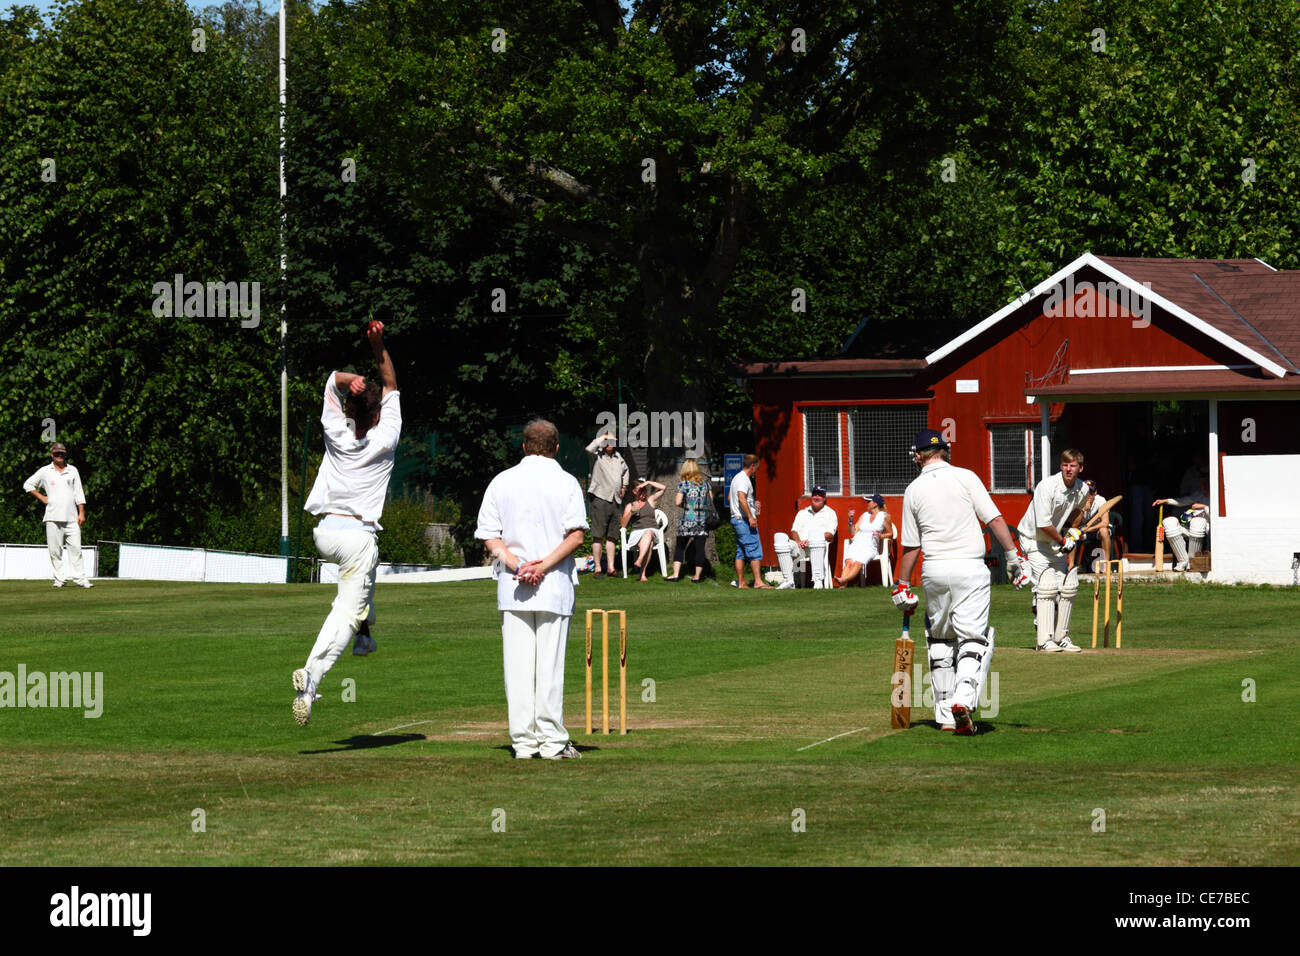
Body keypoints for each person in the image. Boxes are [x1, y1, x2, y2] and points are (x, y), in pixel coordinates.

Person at [291, 321, 400, 727]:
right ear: (377, 414)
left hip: (325, 533)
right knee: (345, 613)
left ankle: (365, 638)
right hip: (357, 537)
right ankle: (312, 677)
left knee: (356, 600)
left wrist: (351, 377)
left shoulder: (336, 431)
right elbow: (391, 384)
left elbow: (330, 383)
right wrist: (379, 346)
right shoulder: (385, 437)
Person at [892, 430, 1027, 735]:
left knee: (940, 640)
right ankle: (963, 700)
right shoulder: (967, 477)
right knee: (973, 638)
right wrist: (1012, 556)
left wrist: (902, 584)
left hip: (935, 570)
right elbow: (994, 520)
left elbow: (911, 547)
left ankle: (945, 717)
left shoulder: (913, 489)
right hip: (969, 568)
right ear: (946, 451)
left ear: (918, 456)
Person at [476, 419, 588, 759]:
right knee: (549, 669)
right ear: (556, 447)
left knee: (518, 669)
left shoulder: (502, 481)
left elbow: (488, 536)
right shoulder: (567, 482)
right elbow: (577, 536)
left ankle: (524, 744)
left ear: (524, 446)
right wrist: (540, 567)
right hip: (552, 587)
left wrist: (517, 564)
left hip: (515, 587)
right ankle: (552, 743)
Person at [1015, 448, 1099, 654]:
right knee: (1047, 586)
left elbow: (1079, 511)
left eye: (1072, 466)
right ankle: (1044, 640)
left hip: (1053, 541)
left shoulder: (1082, 489)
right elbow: (1043, 524)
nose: (1068, 469)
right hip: (1033, 539)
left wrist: (1072, 531)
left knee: (1067, 586)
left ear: (1080, 467)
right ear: (1060, 466)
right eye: (1065, 465)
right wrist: (1064, 540)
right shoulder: (1047, 487)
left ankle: (1061, 637)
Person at [23, 442, 93, 588]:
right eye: (57, 453)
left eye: (61, 453)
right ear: (51, 454)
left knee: (76, 549)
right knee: (55, 551)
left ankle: (80, 579)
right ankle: (60, 579)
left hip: (72, 518)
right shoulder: (45, 471)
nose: (59, 456)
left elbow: (78, 492)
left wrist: (81, 512)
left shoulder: (73, 470)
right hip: (52, 517)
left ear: (65, 454)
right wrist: (42, 498)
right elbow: (28, 485)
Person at [773, 485, 840, 589]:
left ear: (824, 498)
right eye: (814, 495)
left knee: (816, 539)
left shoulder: (830, 513)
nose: (816, 497)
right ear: (811, 497)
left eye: (820, 495)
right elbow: (794, 530)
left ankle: (818, 581)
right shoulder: (802, 513)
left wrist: (810, 541)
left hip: (818, 547)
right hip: (800, 547)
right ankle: (788, 581)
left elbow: (830, 534)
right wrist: (798, 541)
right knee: (780, 539)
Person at [584, 431, 629, 577]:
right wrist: (602, 437)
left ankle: (611, 568)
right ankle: (597, 568)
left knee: (612, 536)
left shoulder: (618, 457)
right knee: (598, 535)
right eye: (607, 441)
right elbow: (588, 449)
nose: (610, 444)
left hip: (615, 500)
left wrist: (624, 486)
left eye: (612, 441)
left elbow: (626, 471)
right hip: (600, 498)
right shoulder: (596, 455)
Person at [728, 454, 772, 589]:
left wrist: (752, 504)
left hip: (736, 519)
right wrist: (751, 516)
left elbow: (731, 498)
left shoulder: (736, 478)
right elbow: (741, 498)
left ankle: (741, 583)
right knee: (755, 550)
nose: (757, 471)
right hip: (744, 521)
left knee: (740, 551)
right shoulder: (743, 479)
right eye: (757, 468)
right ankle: (758, 582)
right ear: (752, 466)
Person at [1153, 477, 1210, 572]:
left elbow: (1216, 515)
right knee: (1169, 522)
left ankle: (1193, 561)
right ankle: (1183, 561)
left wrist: (1204, 507)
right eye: (1202, 484)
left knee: (1198, 522)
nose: (1204, 487)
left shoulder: (1215, 496)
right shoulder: (1198, 494)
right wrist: (1166, 501)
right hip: (1189, 528)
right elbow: (1182, 501)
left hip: (1205, 530)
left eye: (1206, 484)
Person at [836, 493, 893, 586]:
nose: (867, 504)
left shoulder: (884, 516)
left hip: (870, 547)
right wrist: (850, 520)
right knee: (849, 562)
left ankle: (843, 581)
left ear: (875, 504)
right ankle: (842, 585)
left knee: (858, 563)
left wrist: (880, 536)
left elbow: (890, 533)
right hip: (857, 543)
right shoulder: (864, 515)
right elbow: (853, 532)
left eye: (868, 502)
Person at [668, 459, 710, 582]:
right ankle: (697, 577)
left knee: (680, 547)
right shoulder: (705, 485)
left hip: (687, 520)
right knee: (700, 549)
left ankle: (676, 575)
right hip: (701, 521)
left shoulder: (684, 484)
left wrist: (687, 506)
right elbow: (710, 502)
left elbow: (677, 502)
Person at [620, 480, 666, 580]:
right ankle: (642, 574)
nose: (643, 492)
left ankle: (639, 560)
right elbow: (623, 525)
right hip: (637, 533)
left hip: (652, 531)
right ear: (634, 491)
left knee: (648, 533)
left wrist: (648, 482)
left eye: (644, 490)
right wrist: (631, 512)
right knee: (648, 543)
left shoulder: (650, 501)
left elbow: (663, 488)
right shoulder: (630, 505)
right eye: (640, 490)